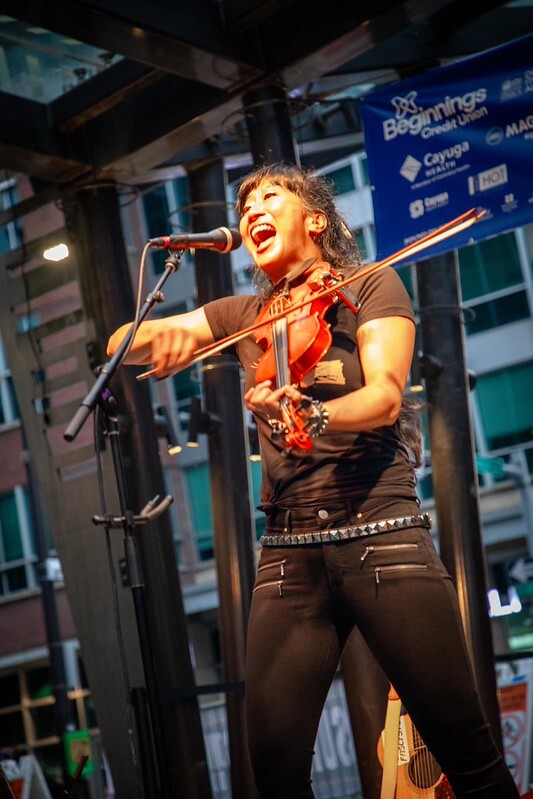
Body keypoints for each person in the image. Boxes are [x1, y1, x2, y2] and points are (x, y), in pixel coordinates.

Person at [107, 162, 519, 799]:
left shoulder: (370, 287)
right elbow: (125, 342)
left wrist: (315, 410)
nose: (251, 210)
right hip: (287, 554)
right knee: (272, 768)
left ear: (316, 220)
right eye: (245, 206)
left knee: (468, 756)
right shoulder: (243, 313)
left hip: (382, 536)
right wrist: (147, 339)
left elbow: (383, 397)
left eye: (270, 196)